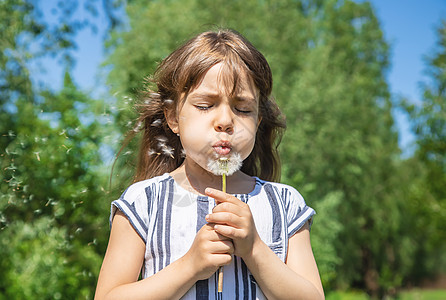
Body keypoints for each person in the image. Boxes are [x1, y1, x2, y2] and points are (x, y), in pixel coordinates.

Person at [95, 29, 324, 300]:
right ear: (173, 118)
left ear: (258, 121)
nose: (225, 120)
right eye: (205, 105)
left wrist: (254, 249)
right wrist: (189, 266)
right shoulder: (144, 201)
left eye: (243, 109)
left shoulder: (285, 204)